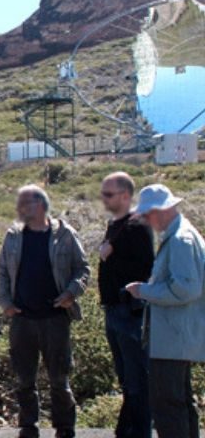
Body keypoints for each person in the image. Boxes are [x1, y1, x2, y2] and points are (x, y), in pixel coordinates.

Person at [0, 185, 89, 438]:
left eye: (26, 203)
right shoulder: (13, 235)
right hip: (22, 318)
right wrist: (5, 302)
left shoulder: (65, 234)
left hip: (55, 318)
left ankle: (65, 427)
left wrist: (71, 292)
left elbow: (83, 269)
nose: (21, 208)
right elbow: (2, 271)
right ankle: (29, 425)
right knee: (24, 379)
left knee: (59, 379)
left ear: (41, 205)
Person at [125, 184, 205, 438]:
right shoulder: (182, 234)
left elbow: (186, 288)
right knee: (180, 404)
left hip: (173, 338)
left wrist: (144, 291)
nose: (147, 221)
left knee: (167, 406)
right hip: (178, 337)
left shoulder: (180, 240)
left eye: (148, 215)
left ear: (162, 211)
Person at [97, 173, 153, 438]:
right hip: (113, 309)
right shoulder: (116, 225)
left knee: (137, 380)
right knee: (126, 379)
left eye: (109, 193)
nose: (104, 198)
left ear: (125, 195)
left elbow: (144, 267)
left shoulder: (137, 224)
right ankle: (128, 429)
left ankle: (138, 431)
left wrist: (111, 255)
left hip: (129, 311)